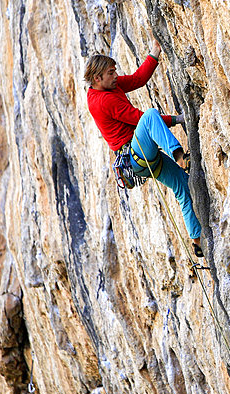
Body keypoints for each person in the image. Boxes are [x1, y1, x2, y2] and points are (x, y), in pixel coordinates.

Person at [84, 41, 204, 257]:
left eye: (115, 71)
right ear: (97, 78)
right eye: (111, 73)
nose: (116, 76)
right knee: (149, 116)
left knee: (183, 187)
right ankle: (179, 156)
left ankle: (197, 241)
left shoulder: (108, 86)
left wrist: (155, 51)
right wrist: (178, 119)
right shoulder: (103, 101)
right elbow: (141, 119)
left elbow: (138, 79)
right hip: (135, 154)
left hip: (142, 159)